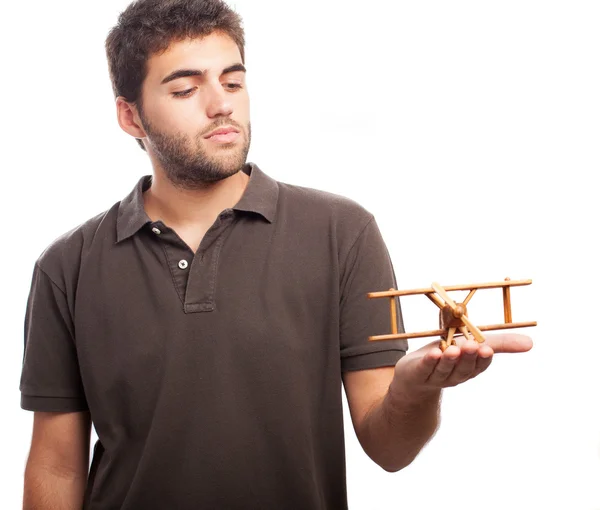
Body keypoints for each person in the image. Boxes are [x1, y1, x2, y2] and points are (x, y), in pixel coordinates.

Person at [18, 0, 533, 508]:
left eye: (233, 82)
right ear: (130, 117)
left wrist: (415, 390)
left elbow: (390, 449)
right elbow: (55, 464)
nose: (221, 104)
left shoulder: (342, 232)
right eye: (185, 88)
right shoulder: (68, 266)